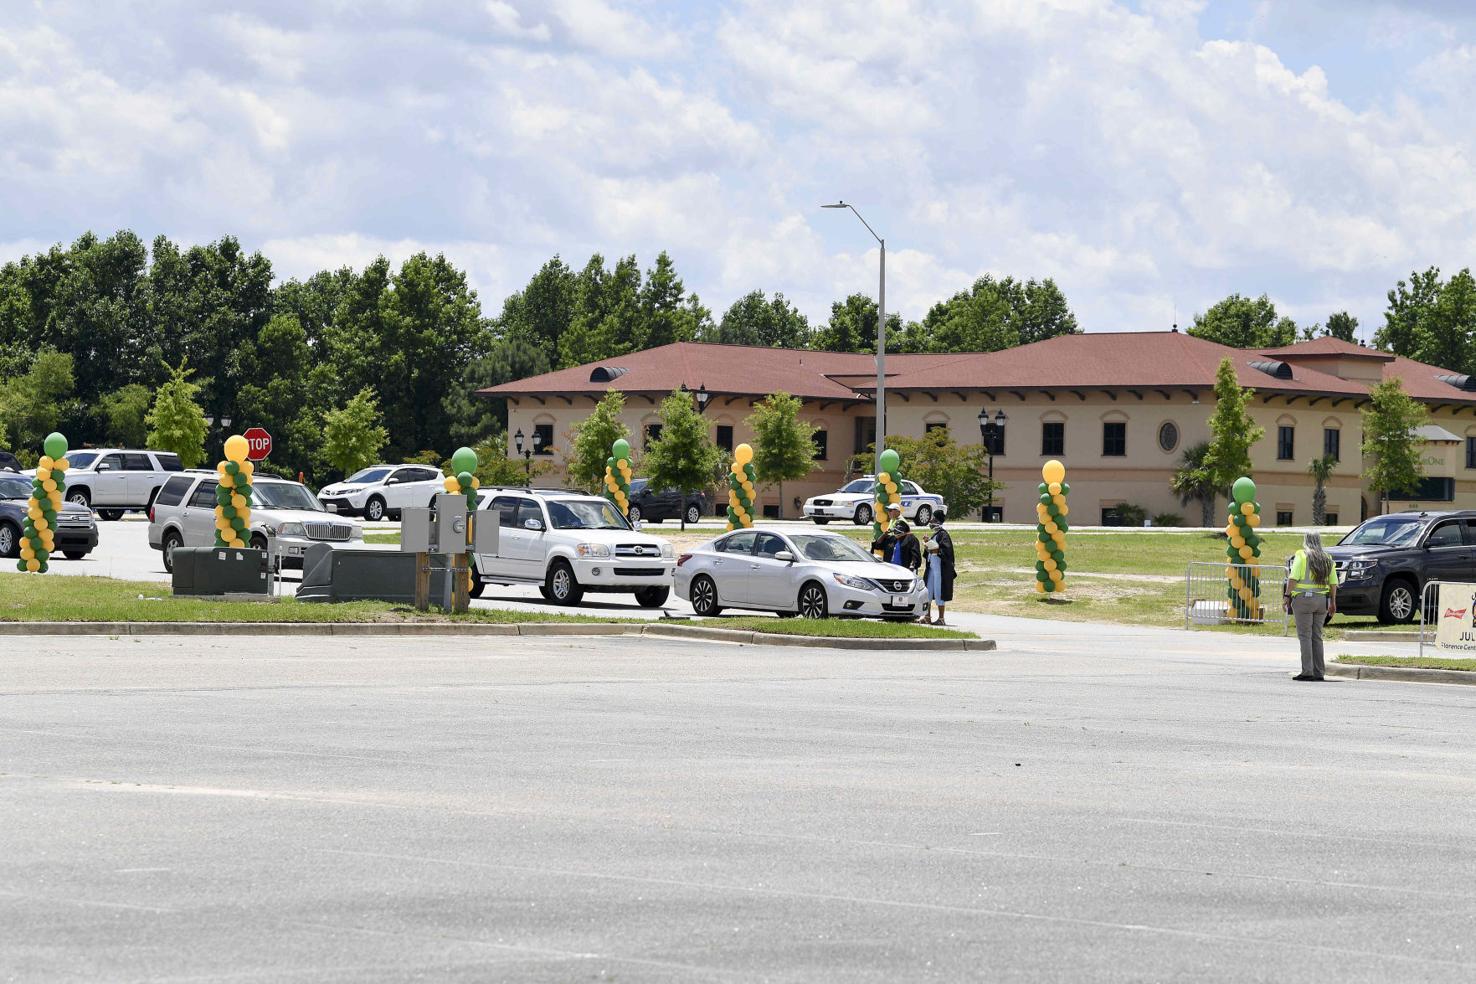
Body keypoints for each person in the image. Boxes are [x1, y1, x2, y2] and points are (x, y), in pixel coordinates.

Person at [1283, 531, 1338, 681]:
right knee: (1317, 636)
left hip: (1303, 600)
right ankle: (1319, 672)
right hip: (1322, 601)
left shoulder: (1301, 555)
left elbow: (1293, 578)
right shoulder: (1327, 558)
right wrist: (1333, 602)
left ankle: (1307, 671)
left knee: (1305, 636)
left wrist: (1287, 596)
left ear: (1306, 541)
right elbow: (1333, 583)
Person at [922, 509, 955, 625]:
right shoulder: (935, 534)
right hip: (931, 568)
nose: (930, 521)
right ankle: (927, 616)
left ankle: (941, 618)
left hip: (940, 569)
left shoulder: (943, 534)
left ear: (937, 520)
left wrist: (930, 544)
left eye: (933, 518)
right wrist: (927, 545)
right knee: (928, 591)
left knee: (939, 591)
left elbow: (944, 551)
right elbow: (931, 550)